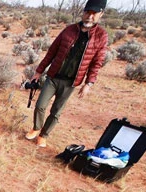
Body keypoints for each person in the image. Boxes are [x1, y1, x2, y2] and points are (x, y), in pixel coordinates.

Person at [25, 0, 108, 148]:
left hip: (71, 82)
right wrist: (39, 71)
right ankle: (36, 128)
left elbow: (97, 62)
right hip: (53, 76)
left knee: (56, 111)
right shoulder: (69, 30)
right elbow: (52, 52)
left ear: (101, 14)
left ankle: (44, 135)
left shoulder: (101, 36)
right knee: (40, 105)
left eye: (94, 13)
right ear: (83, 12)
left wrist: (88, 83)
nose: (90, 16)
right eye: (87, 12)